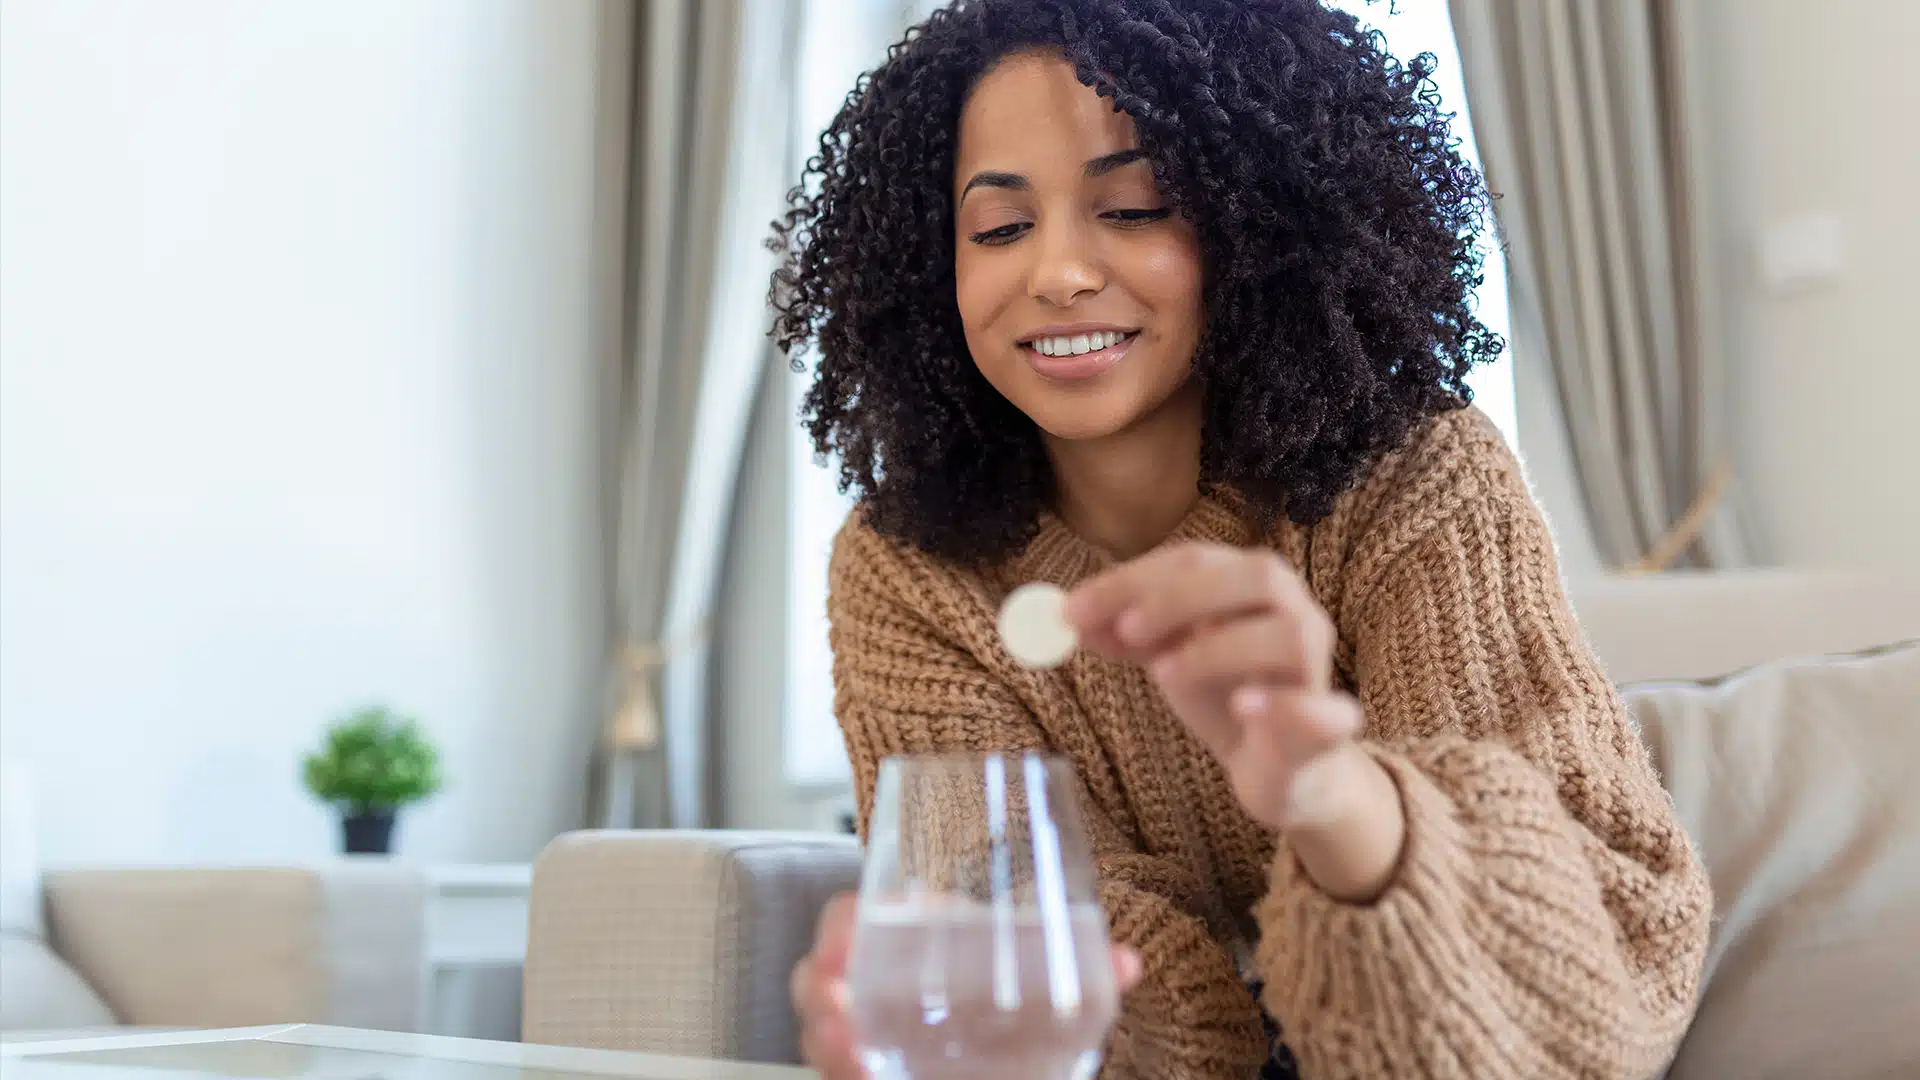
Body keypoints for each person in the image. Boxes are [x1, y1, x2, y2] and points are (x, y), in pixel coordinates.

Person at [771, 1, 1711, 1077]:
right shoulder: (909, 572)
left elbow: (1601, 997)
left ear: (1260, 224)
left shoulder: (1419, 480)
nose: (1060, 273)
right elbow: (1063, 986)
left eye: (1134, 208)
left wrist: (1333, 799)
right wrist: (970, 1008)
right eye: (999, 228)